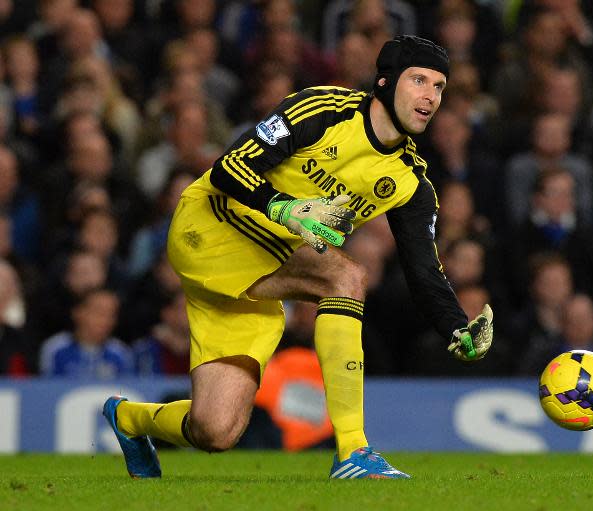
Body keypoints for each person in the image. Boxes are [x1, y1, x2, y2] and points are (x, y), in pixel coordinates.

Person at [103, 35, 494, 480]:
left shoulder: (410, 183)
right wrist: (283, 206)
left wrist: (456, 326)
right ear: (384, 82)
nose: (430, 96)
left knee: (217, 430)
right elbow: (229, 165)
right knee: (344, 277)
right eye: (419, 80)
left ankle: (131, 419)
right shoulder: (323, 109)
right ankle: (353, 450)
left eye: (440, 87)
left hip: (253, 275)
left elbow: (424, 269)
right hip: (211, 227)